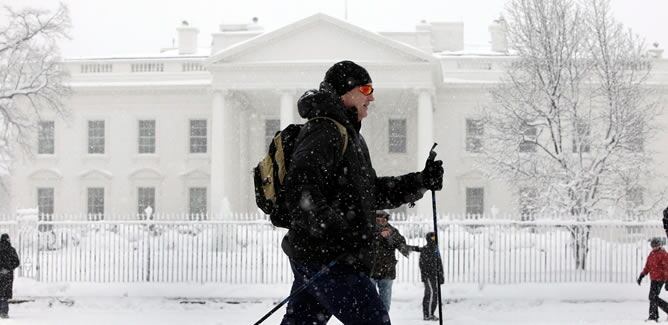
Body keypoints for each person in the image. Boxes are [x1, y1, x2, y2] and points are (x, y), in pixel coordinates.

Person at [278, 60, 444, 325]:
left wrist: (421, 181)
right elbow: (301, 191)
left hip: (320, 258)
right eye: (366, 89)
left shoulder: (347, 134)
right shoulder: (325, 130)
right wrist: (340, 234)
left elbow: (369, 192)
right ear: (346, 92)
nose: (372, 96)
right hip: (331, 260)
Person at [369, 210, 413, 312]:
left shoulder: (392, 230)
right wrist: (379, 235)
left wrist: (390, 237)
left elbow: (402, 246)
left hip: (387, 272)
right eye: (378, 219)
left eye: (384, 219)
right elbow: (365, 243)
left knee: (385, 305)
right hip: (370, 271)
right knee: (369, 303)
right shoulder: (369, 230)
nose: (381, 221)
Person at [637, 237, 668, 322]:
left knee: (652, 297)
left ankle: (654, 316)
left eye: (656, 245)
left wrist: (667, 280)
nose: (654, 247)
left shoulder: (663, 254)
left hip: (660, 279)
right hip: (654, 279)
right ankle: (653, 316)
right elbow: (647, 267)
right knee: (653, 297)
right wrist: (642, 275)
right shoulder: (651, 254)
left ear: (659, 245)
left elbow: (666, 268)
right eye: (653, 246)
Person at [415, 232, 444, 321]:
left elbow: (439, 263)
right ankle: (428, 314)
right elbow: (422, 264)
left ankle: (429, 313)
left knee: (433, 294)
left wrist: (441, 275)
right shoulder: (426, 249)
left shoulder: (435, 249)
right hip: (428, 276)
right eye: (432, 238)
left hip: (434, 276)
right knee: (431, 294)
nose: (434, 239)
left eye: (435, 238)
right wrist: (426, 275)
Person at [0, 234, 20, 319]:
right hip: (8, 275)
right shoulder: (11, 250)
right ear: (8, 240)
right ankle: (4, 312)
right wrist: (8, 269)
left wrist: (1, 269)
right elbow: (17, 262)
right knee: (5, 294)